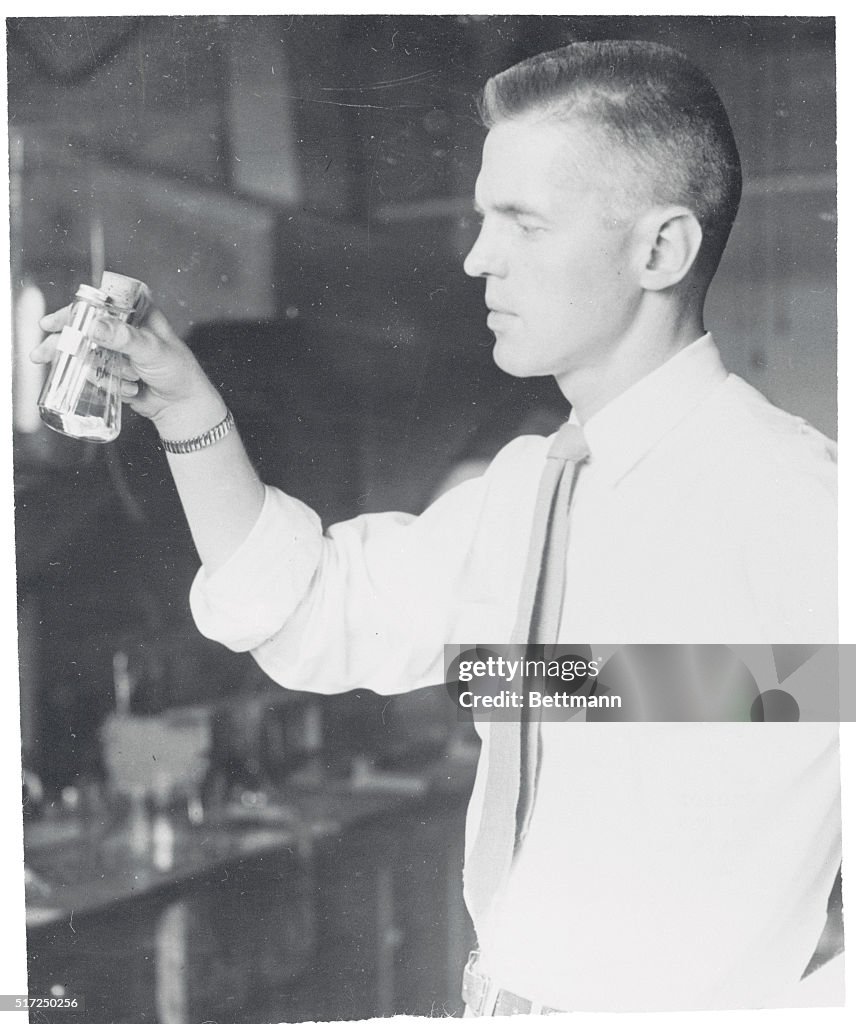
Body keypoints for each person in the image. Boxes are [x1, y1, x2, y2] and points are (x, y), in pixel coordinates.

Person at [33, 40, 841, 1012]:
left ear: (658, 250)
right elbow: (317, 606)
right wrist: (187, 412)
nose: (475, 257)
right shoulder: (525, 492)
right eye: (479, 216)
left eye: (522, 223)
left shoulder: (802, 508)